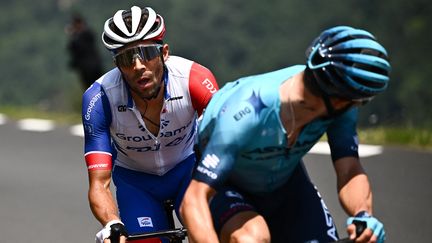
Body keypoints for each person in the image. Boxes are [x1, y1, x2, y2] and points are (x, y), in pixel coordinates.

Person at [180, 26, 390, 243]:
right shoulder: (245, 113)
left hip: (284, 183)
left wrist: (362, 215)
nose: (356, 105)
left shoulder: (341, 107)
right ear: (336, 97)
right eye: (358, 100)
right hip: (228, 184)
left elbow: (349, 168)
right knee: (251, 238)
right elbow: (193, 199)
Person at [81, 6, 218, 243]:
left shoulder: (195, 80)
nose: (138, 66)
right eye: (126, 58)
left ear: (164, 53)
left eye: (146, 53)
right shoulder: (99, 98)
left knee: (210, 235)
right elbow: (99, 183)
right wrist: (112, 224)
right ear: (117, 65)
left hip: (188, 172)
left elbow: (223, 146)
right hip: (137, 184)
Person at [66, 14, 104, 90]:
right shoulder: (80, 36)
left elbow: (78, 47)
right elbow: (72, 49)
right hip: (86, 69)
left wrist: (74, 35)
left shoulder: (86, 34)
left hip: (92, 68)